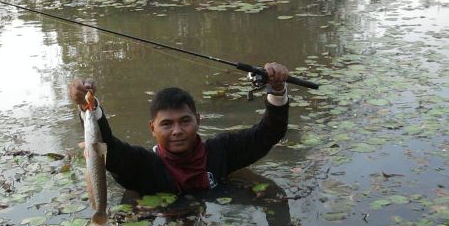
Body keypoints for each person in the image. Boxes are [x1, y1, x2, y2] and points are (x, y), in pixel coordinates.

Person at [69, 62, 290, 196]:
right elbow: (109, 150)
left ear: (198, 120)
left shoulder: (221, 151)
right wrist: (89, 106)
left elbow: (268, 133)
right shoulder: (141, 164)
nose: (177, 130)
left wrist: (277, 89)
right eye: (166, 124)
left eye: (185, 121)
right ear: (152, 128)